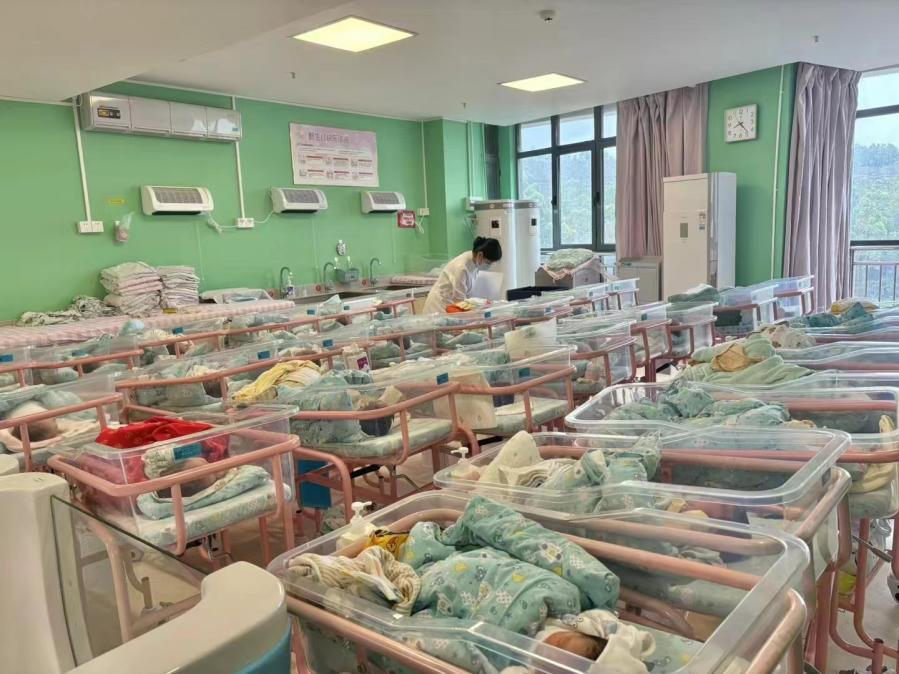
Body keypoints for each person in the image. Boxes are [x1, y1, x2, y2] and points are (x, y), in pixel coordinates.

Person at [423, 237, 502, 314]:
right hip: (439, 306)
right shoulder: (461, 268)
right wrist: (475, 311)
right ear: (480, 255)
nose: (488, 265)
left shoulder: (474, 261)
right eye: (488, 262)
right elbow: (459, 301)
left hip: (452, 305)